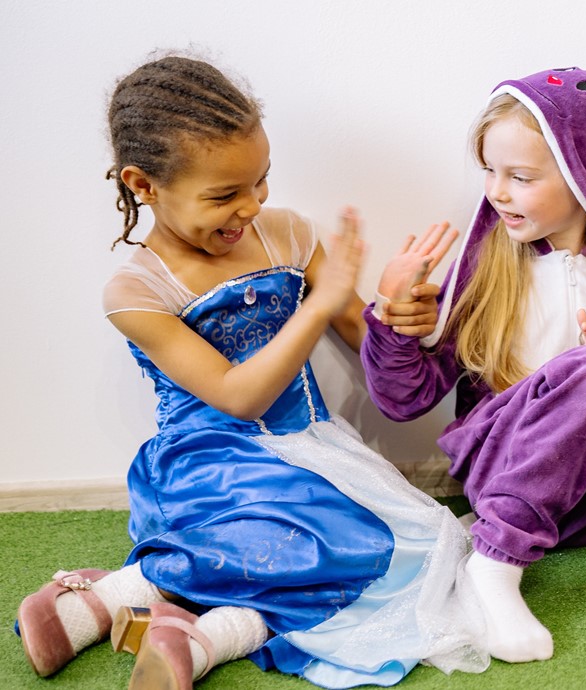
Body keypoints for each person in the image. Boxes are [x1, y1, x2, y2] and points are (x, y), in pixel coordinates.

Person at [15, 55, 492, 689]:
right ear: (143, 184)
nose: (249, 206)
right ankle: (105, 601)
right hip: (207, 461)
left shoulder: (289, 235)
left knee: (419, 545)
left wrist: (400, 315)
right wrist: (319, 301)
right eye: (222, 195)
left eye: (260, 181)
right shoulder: (134, 290)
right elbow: (237, 397)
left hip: (309, 448)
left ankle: (196, 639)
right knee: (322, 537)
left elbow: (368, 349)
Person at [360, 67, 586, 665]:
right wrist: (393, 320)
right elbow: (403, 399)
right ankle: (492, 568)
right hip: (507, 484)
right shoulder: (485, 280)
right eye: (490, 172)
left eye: (520, 177)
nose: (497, 192)